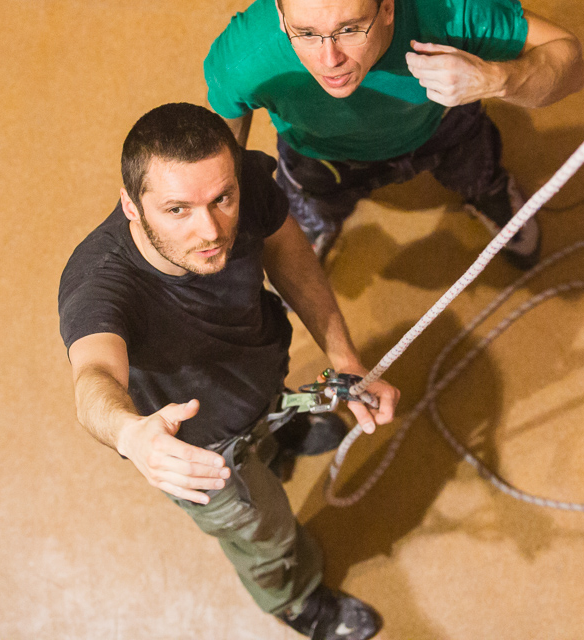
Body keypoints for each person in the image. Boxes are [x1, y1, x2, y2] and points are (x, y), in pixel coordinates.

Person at [58, 102, 399, 640]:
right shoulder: (100, 284)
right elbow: (94, 375)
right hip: (208, 451)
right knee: (267, 534)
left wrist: (344, 359)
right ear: (131, 205)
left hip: (259, 378)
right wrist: (131, 435)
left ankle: (278, 442)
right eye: (177, 210)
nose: (211, 230)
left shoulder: (240, 184)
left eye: (222, 199)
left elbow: (286, 250)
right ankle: (294, 599)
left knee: (271, 429)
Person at [204, 0, 584, 269]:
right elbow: (226, 133)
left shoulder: (448, 0)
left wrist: (496, 79)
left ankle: (488, 192)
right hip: (319, 153)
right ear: (280, 14)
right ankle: (316, 228)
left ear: (388, 6)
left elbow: (572, 66)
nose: (329, 60)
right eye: (305, 33)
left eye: (350, 29)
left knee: (476, 168)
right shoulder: (244, 58)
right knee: (311, 208)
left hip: (440, 122)